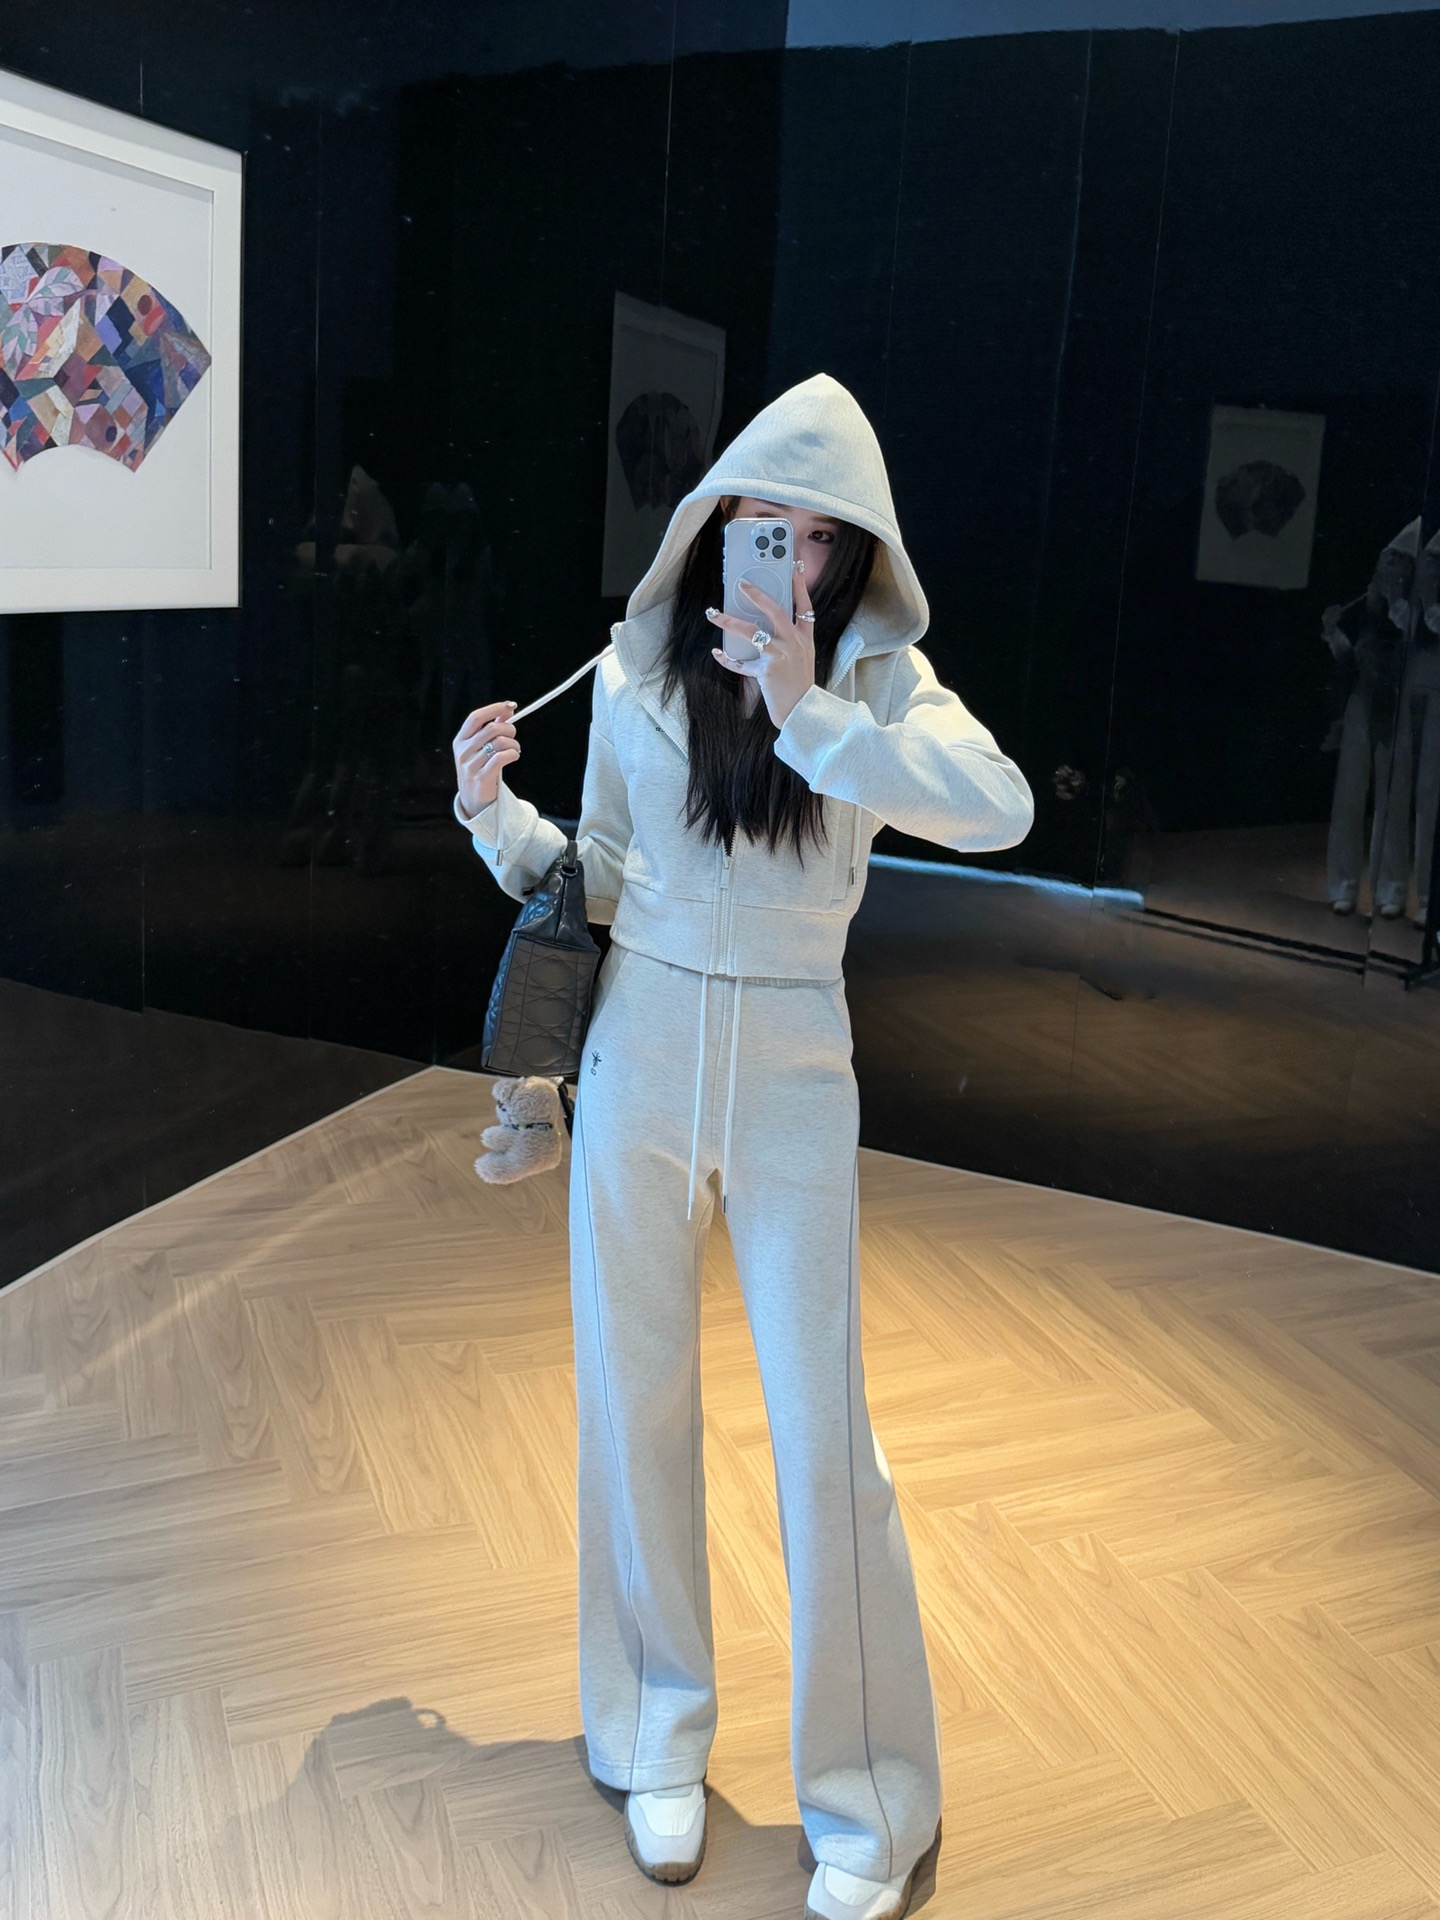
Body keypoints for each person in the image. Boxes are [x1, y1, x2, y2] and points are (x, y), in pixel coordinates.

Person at [451, 373, 1034, 1920]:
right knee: (632, 1403)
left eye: (811, 536)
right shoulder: (634, 671)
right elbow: (600, 875)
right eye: (755, 525)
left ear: (851, 555)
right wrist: (492, 816)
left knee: (826, 1439)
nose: (781, 558)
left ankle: (870, 1799)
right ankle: (654, 1732)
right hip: (637, 1056)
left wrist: (811, 712)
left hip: (793, 1070)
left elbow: (1001, 809)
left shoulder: (882, 687)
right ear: (711, 526)